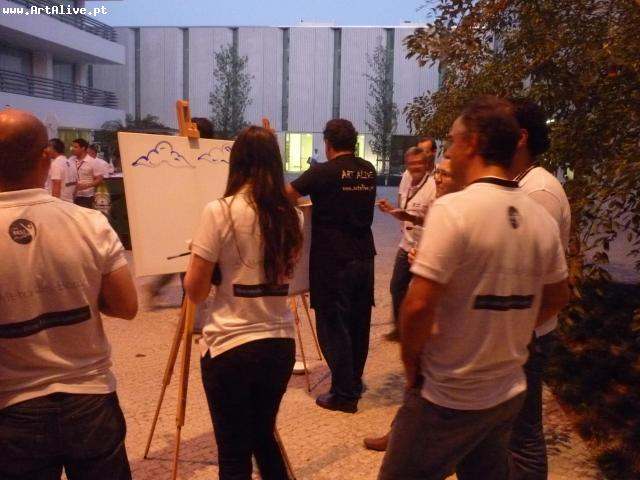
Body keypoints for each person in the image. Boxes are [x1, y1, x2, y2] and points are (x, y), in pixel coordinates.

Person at [378, 96, 570, 480]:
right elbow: (556, 296)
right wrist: (507, 332)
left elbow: (417, 307)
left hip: (449, 394)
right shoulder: (538, 216)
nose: (448, 151)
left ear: (473, 143)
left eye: (453, 140)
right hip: (505, 390)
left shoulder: (454, 210)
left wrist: (412, 368)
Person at [0, 109, 138, 480]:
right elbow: (126, 306)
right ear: (46, 157)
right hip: (89, 397)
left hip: (11, 406)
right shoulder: (89, 223)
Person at [184, 126, 303, 480]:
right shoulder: (292, 215)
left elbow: (195, 291)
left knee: (234, 452)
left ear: (236, 161)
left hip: (230, 344)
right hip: (279, 344)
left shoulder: (219, 211)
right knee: (263, 436)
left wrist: (199, 259)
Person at [364, 153, 461, 452]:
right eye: (439, 173)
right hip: (438, 319)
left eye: (445, 174)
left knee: (424, 384)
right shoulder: (444, 206)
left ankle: (406, 441)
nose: (439, 178)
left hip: (445, 320)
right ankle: (400, 433)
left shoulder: (458, 212)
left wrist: (409, 349)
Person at [286, 119, 377, 413]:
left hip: (333, 260)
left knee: (332, 325)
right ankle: (354, 381)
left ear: (328, 143)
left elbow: (287, 194)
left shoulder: (322, 172)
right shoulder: (368, 170)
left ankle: (344, 394)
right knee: (358, 323)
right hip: (364, 257)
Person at [507, 98, 571, 480]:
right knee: (511, 430)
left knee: (523, 434)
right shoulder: (520, 184)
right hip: (517, 331)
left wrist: (520, 334)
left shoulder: (539, 192)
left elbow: (549, 286)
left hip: (528, 334)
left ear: (520, 137)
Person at [378, 146, 436, 341]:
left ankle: (420, 332)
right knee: (397, 287)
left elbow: (435, 222)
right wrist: (390, 210)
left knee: (423, 294)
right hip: (406, 244)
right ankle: (401, 329)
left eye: (419, 163)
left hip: (425, 247)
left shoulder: (433, 187)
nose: (415, 167)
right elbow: (403, 212)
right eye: (411, 163)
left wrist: (409, 217)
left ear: (426, 164)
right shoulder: (406, 180)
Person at [71, 138, 103, 208]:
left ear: (83, 148)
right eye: (72, 147)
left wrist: (86, 185)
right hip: (71, 195)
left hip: (86, 197)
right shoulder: (70, 160)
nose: (72, 149)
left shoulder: (93, 162)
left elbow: (99, 179)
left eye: (75, 147)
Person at [44, 138, 77, 203]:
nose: (46, 150)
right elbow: (76, 185)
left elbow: (56, 185)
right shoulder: (71, 163)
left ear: (53, 148)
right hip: (70, 202)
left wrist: (55, 204)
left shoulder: (56, 164)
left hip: (59, 202)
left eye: (48, 147)